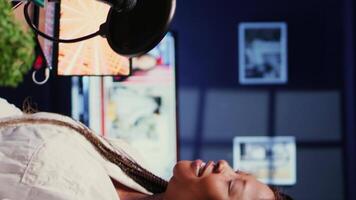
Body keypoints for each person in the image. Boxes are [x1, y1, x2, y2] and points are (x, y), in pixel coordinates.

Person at [0, 98, 292, 200]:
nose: (223, 166)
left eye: (231, 186)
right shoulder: (132, 158)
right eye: (236, 172)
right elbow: (19, 125)